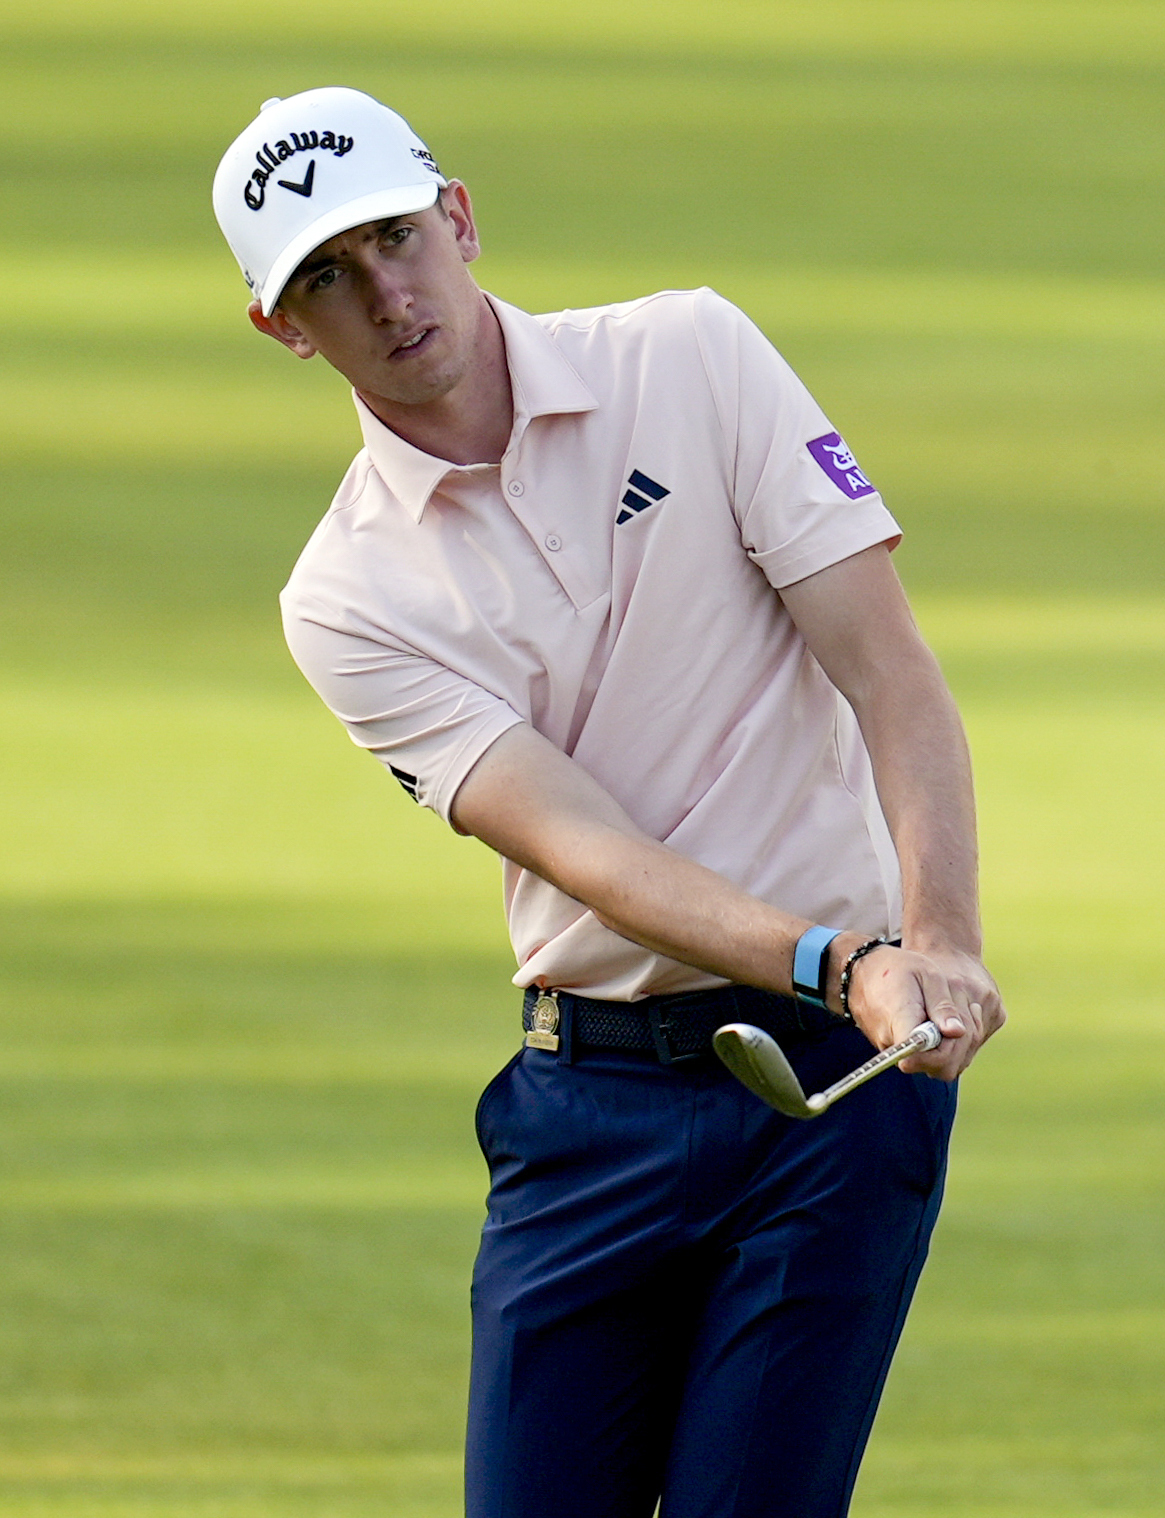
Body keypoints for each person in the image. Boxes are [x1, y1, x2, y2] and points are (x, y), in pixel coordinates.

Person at [211, 87, 1003, 1518]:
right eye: (326, 276)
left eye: (394, 238)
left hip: (832, 1094)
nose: (385, 296)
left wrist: (937, 935)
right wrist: (844, 959)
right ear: (282, 327)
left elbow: (889, 671)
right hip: (591, 1103)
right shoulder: (347, 596)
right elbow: (590, 852)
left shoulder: (691, 355)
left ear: (459, 218)